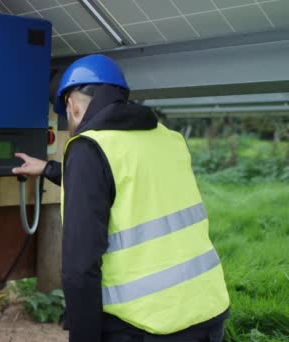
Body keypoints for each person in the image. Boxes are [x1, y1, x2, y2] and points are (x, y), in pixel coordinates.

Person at [12, 54, 229, 341]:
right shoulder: (168, 138)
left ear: (72, 106)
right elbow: (125, 184)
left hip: (149, 324)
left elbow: (80, 266)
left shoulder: (88, 148)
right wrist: (49, 168)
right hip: (207, 310)